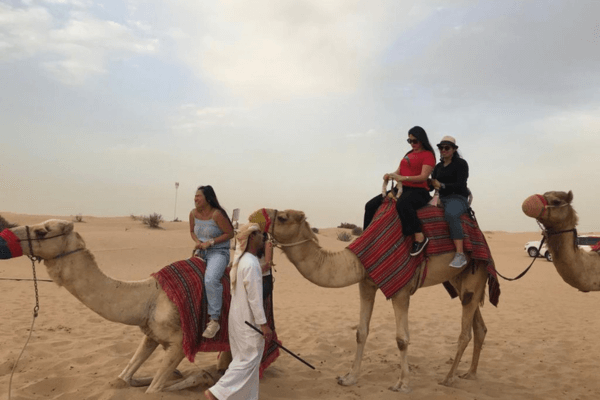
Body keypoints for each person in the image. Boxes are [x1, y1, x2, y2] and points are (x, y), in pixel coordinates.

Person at [205, 223, 273, 400]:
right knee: (248, 360)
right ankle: (216, 392)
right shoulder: (250, 263)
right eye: (260, 234)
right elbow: (255, 298)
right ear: (252, 237)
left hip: (238, 320)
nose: (263, 237)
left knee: (244, 360)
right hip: (249, 321)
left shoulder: (243, 261)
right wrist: (263, 324)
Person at [363, 126, 436, 256]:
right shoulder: (409, 154)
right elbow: (398, 171)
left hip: (418, 190)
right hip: (401, 188)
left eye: (415, 141)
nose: (412, 144)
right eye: (409, 141)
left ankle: (419, 236)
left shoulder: (428, 155)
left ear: (422, 140)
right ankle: (366, 238)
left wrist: (404, 178)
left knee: (403, 204)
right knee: (370, 205)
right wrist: (389, 175)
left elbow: (423, 177)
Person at [189, 185, 234, 339]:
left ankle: (214, 320)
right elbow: (191, 231)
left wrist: (211, 242)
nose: (195, 199)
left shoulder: (217, 214)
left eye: (198, 196)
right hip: (201, 252)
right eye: (195, 196)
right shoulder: (193, 214)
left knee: (210, 279)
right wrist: (197, 241)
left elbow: (230, 233)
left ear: (207, 198)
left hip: (218, 252)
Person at [431, 136, 470, 268]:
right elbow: (431, 186)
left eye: (447, 148)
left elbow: (460, 184)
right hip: (440, 198)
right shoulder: (437, 167)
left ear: (453, 149)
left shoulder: (461, 164)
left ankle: (460, 254)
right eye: (441, 148)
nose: (443, 150)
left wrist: (442, 185)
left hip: (457, 198)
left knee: (451, 214)